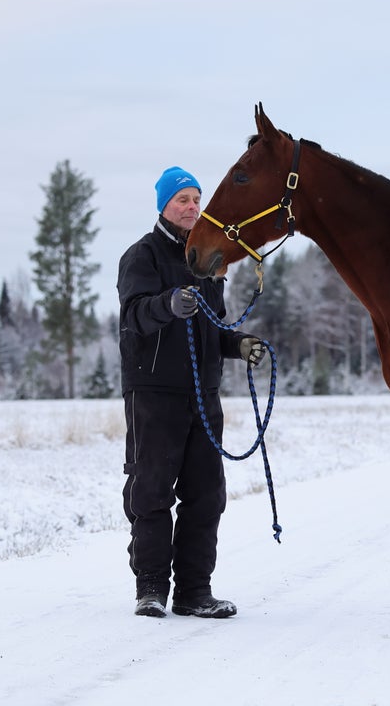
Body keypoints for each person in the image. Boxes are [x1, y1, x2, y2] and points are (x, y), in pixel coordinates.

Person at [117, 166, 267, 619]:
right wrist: (167, 304)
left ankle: (194, 592)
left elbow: (214, 328)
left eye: (196, 199)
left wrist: (239, 344)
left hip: (203, 394)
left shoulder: (208, 258)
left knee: (206, 495)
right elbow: (134, 317)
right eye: (182, 199)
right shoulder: (141, 256)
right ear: (163, 204)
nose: (192, 207)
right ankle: (150, 590)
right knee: (151, 492)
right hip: (154, 393)